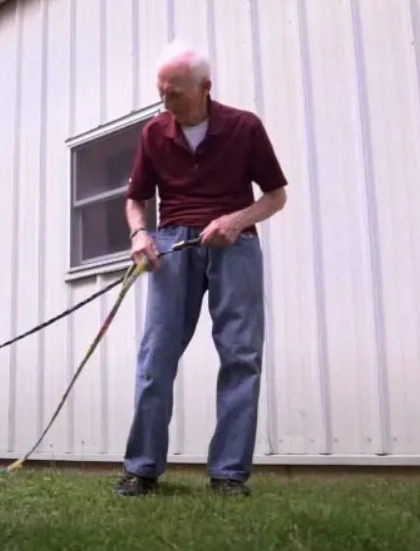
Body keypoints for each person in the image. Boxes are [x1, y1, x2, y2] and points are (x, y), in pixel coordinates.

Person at [115, 40, 289, 497]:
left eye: (174, 92)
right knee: (156, 357)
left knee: (241, 357)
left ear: (205, 88)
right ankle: (142, 469)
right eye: (160, 90)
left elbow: (275, 197)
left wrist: (237, 219)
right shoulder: (154, 133)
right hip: (173, 243)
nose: (164, 101)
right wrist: (139, 235)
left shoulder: (244, 127)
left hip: (235, 242)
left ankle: (228, 474)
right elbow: (136, 200)